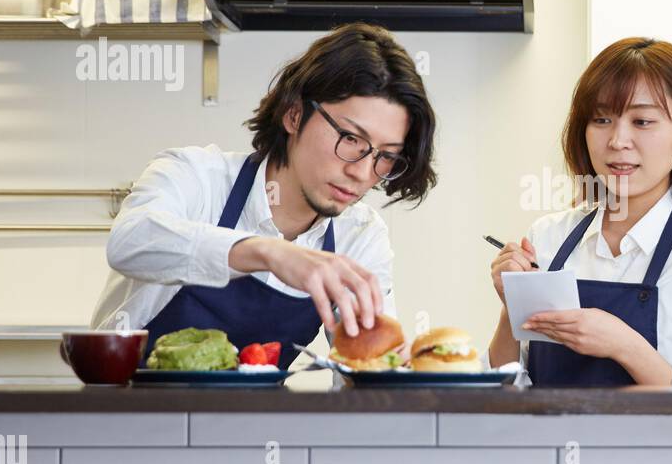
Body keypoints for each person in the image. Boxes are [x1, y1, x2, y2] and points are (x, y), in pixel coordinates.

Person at [90, 22, 436, 369]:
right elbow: (129, 241)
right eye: (349, 138)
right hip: (130, 418)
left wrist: (397, 368)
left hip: (258, 424)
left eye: (385, 156)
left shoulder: (357, 235)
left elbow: (366, 369)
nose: (362, 173)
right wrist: (270, 253)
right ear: (295, 114)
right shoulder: (196, 176)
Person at [488, 37, 672, 387]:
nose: (617, 140)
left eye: (642, 121)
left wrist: (625, 346)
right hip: (548, 442)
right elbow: (505, 391)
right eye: (601, 119)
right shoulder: (547, 237)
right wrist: (512, 307)